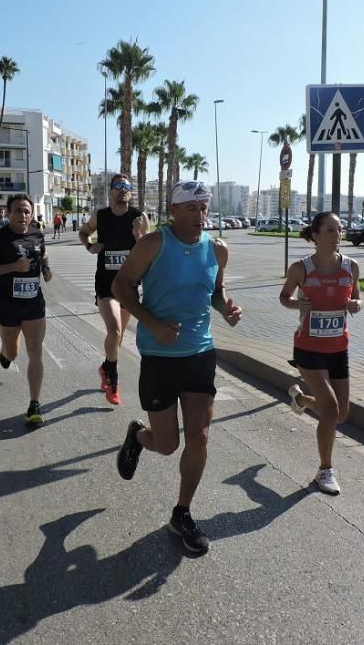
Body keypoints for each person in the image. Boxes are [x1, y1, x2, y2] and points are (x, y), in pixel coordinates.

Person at [113, 180, 242, 555]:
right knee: (167, 445)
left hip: (200, 353)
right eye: (191, 208)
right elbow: (122, 286)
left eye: (204, 208)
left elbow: (215, 294)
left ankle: (182, 513)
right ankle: (138, 436)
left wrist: (227, 309)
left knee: (199, 437)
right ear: (173, 211)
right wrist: (151, 323)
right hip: (159, 356)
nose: (200, 215)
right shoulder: (154, 244)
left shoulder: (218, 249)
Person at [279, 212, 361, 496]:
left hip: (339, 347)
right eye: (330, 230)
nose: (337, 235)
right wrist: (297, 305)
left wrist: (355, 304)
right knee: (330, 409)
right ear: (315, 236)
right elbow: (284, 297)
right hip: (308, 347)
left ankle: (300, 398)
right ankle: (325, 471)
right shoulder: (301, 268)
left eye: (339, 230)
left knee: (341, 413)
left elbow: (357, 296)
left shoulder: (351, 267)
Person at [0, 194, 53, 429]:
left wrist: (47, 269)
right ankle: (5, 353)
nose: (23, 215)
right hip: (7, 304)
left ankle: (34, 404)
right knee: (12, 354)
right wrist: (12, 267)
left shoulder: (37, 234)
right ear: (9, 213)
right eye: (18, 211)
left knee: (36, 351)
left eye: (27, 211)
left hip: (33, 303)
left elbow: (43, 253)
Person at [78, 174, 149, 404]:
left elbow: (147, 251)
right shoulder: (101, 216)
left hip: (129, 284)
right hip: (106, 283)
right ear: (111, 191)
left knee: (116, 341)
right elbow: (83, 232)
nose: (122, 190)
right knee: (115, 331)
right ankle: (113, 381)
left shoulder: (139, 217)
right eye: (118, 186)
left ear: (131, 192)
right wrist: (90, 246)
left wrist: (138, 235)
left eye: (126, 187)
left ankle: (104, 367)